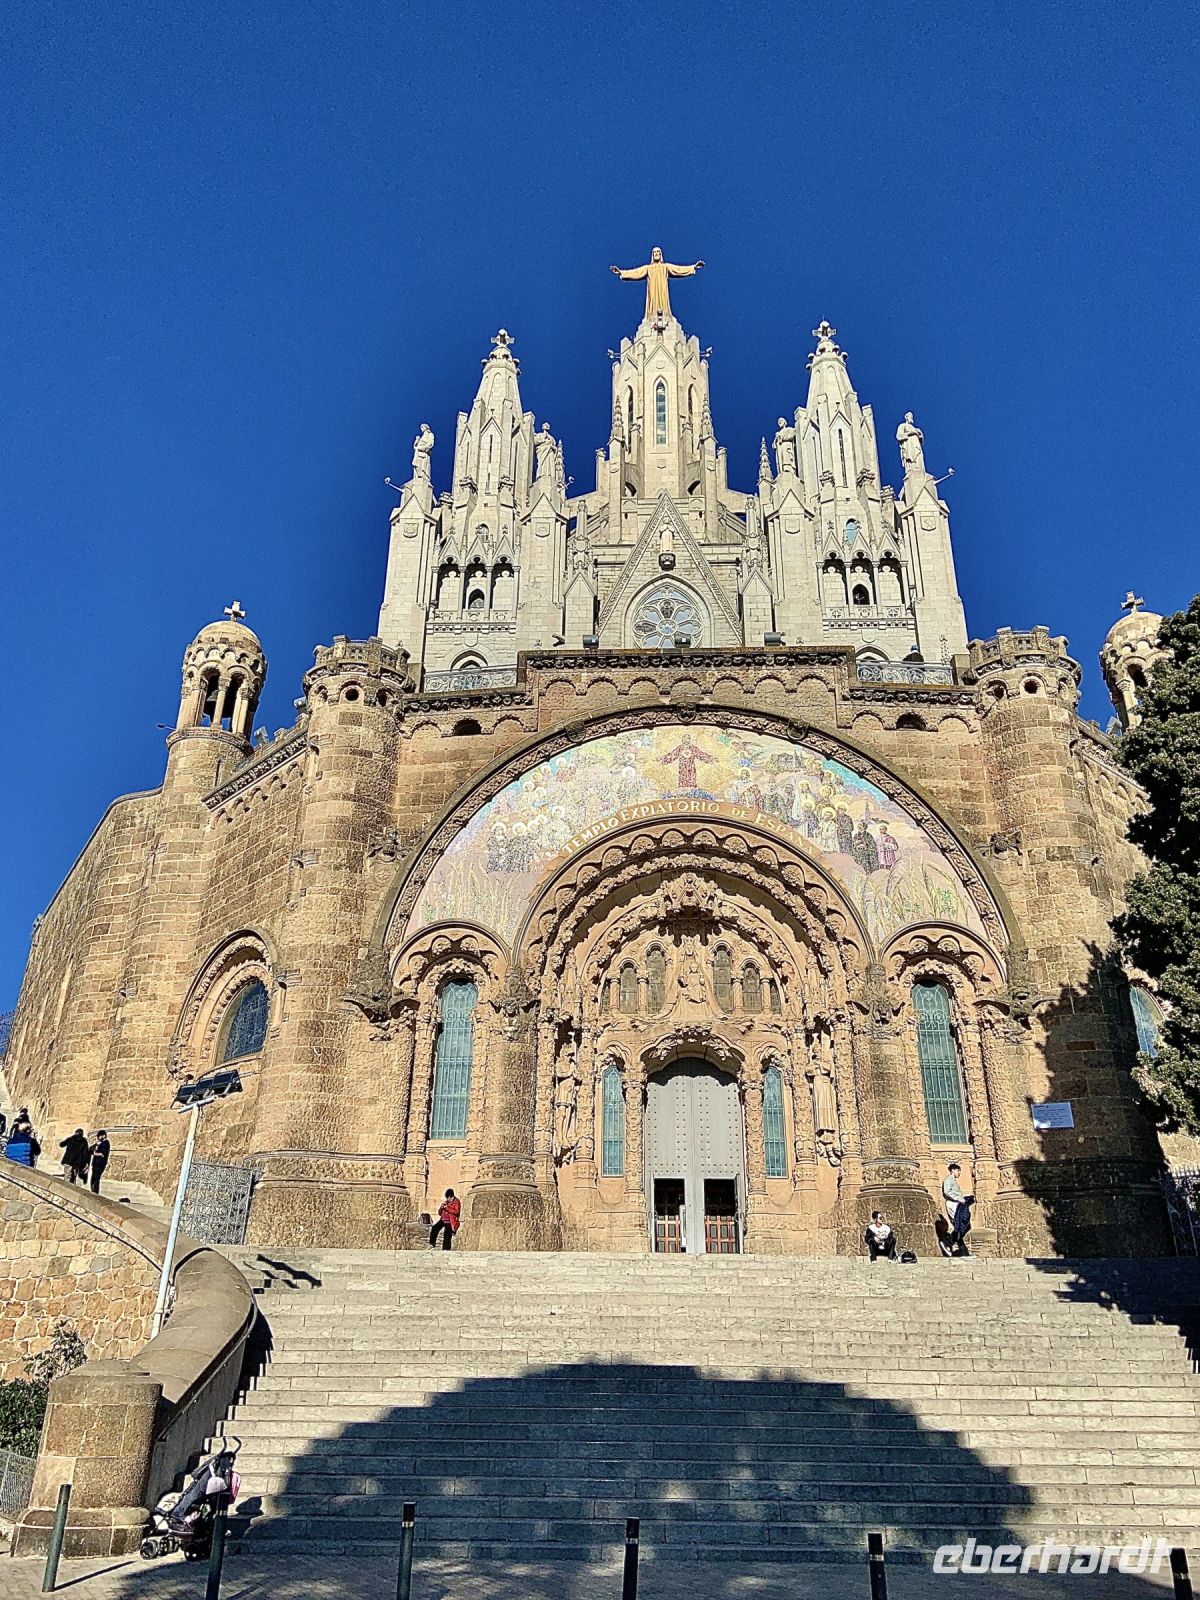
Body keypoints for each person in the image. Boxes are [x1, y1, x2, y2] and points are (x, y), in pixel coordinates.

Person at [941, 1161, 973, 1257]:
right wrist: (958, 1199)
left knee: (962, 1227)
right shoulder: (949, 1179)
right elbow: (947, 1191)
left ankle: (963, 1251)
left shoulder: (952, 1180)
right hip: (953, 1204)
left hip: (957, 1204)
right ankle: (948, 1241)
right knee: (961, 1225)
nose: (959, 1173)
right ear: (953, 1170)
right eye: (958, 1171)